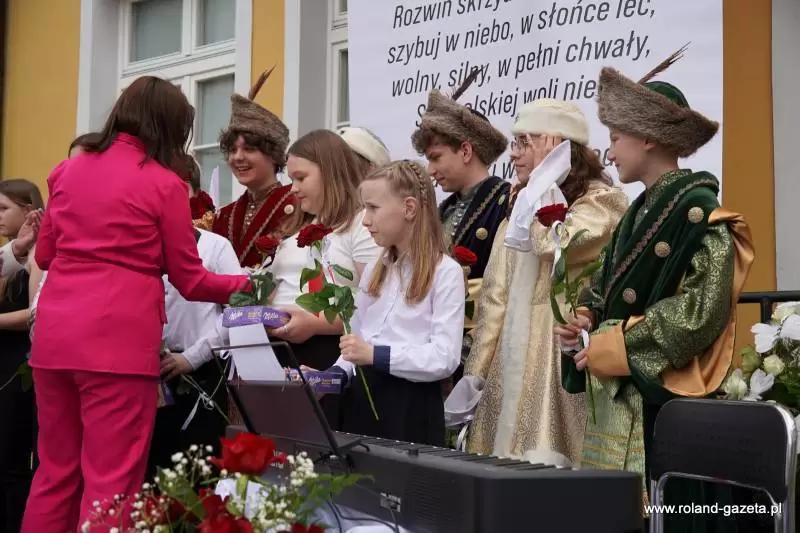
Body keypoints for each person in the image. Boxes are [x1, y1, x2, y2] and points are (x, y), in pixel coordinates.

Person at [22, 76, 249, 532]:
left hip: (54, 341)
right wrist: (245, 284)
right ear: (170, 127)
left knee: (54, 474)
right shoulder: (164, 184)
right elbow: (190, 279)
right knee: (111, 483)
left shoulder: (67, 171)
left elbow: (44, 255)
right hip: (117, 346)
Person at [554, 52, 753, 529]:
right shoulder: (636, 213)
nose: (609, 152)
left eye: (615, 138)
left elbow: (701, 312)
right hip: (624, 401)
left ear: (647, 137)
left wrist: (619, 345)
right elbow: (602, 287)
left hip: (664, 405)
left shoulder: (702, 215)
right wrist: (585, 320)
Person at [463, 99, 628, 464]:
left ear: (559, 148)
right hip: (508, 369)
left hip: (559, 361)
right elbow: (494, 297)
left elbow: (558, 244)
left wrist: (542, 189)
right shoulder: (521, 207)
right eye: (515, 143)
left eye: (524, 142)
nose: (514, 154)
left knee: (552, 471)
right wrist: (475, 374)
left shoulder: (603, 202)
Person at [329, 160, 464, 445]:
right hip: (363, 399)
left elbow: (444, 358)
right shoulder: (375, 270)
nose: (365, 220)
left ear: (409, 208)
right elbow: (356, 342)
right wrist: (328, 377)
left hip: (410, 408)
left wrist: (377, 355)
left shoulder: (445, 272)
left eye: (373, 208)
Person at [268, 129, 382, 427]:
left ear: (330, 172)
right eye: (291, 179)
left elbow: (378, 307)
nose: (293, 188)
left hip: (337, 356)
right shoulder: (306, 229)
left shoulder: (362, 225)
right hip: (292, 354)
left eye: (301, 178)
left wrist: (314, 323)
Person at [410, 70, 510, 374]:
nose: (430, 170)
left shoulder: (505, 201)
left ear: (466, 151)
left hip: (483, 349)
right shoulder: (443, 209)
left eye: (436, 157)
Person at [147, 164, 242, 479]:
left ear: (192, 193)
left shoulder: (216, 247)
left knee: (198, 469)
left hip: (202, 370)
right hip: (148, 372)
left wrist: (193, 356)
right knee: (153, 470)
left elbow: (236, 309)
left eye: (178, 189)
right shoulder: (139, 246)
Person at [212, 68, 298, 269]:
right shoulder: (224, 215)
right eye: (232, 150)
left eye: (249, 149)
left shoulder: (297, 203)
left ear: (273, 155)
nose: (238, 157)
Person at [0, 179, 44, 533]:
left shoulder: (41, 253)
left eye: (4, 208)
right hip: (4, 357)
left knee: (15, 454)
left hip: (21, 359)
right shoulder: (11, 252)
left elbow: (37, 311)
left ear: (29, 210)